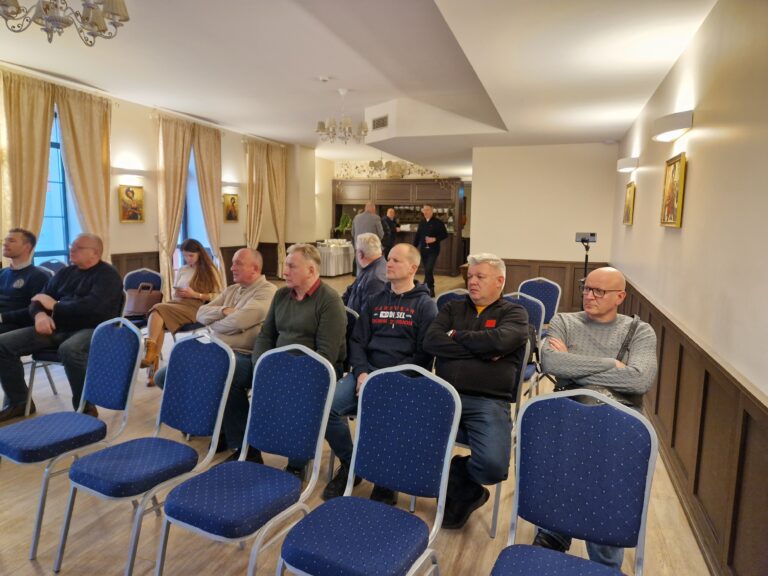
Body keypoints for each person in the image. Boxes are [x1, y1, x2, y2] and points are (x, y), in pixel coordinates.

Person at [532, 266, 658, 570]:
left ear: (620, 297)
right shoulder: (564, 321)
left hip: (617, 421)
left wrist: (574, 365)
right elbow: (551, 363)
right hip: (570, 412)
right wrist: (612, 364)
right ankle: (554, 532)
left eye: (599, 291)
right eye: (586, 288)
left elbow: (639, 380)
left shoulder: (639, 331)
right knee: (559, 465)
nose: (589, 296)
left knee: (605, 489)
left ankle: (603, 558)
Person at [322, 243, 438, 503]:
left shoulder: (425, 305)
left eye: (396, 260)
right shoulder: (375, 300)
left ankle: (385, 478)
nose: (389, 264)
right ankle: (352, 464)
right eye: (389, 259)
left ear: (413, 268)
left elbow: (424, 356)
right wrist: (362, 372)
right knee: (327, 407)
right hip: (367, 374)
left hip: (402, 379)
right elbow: (357, 341)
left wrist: (389, 379)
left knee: (385, 417)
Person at [424, 253, 529, 529]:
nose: (472, 281)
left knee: (493, 466)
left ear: (500, 281)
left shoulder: (514, 313)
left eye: (480, 277)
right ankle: (457, 491)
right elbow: (431, 341)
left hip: (487, 400)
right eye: (470, 276)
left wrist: (456, 336)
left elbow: (501, 341)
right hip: (445, 396)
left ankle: (460, 472)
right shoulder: (452, 308)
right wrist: (483, 351)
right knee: (409, 438)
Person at [153, 248, 276, 461]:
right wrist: (222, 311)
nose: (231, 267)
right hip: (215, 351)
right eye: (233, 263)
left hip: (245, 356)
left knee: (222, 375)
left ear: (255, 268)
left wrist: (217, 325)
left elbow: (238, 321)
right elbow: (200, 313)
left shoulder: (267, 291)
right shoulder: (232, 290)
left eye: (238, 263)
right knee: (164, 376)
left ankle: (246, 449)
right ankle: (217, 427)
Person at [0, 234, 123, 421]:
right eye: (72, 245)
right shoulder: (66, 273)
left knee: (70, 349)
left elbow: (94, 310)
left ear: (95, 253)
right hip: (57, 326)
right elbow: (38, 300)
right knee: (3, 344)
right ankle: (19, 402)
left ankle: (85, 408)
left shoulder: (108, 275)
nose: (72, 249)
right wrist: (40, 315)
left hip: (93, 328)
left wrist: (55, 306)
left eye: (78, 247)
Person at [251, 243, 347, 477]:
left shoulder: (329, 301)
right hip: (279, 367)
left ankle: (347, 461)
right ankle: (247, 448)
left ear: (311, 270)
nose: (284, 272)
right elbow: (266, 336)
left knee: (307, 401)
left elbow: (326, 355)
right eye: (285, 265)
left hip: (318, 370)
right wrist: (261, 366)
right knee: (235, 377)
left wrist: (290, 375)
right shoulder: (281, 295)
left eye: (292, 266)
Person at [141, 238, 221, 385]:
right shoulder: (183, 269)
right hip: (178, 303)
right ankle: (152, 365)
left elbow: (218, 296)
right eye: (184, 255)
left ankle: (150, 360)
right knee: (158, 314)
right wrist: (178, 293)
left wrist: (195, 294)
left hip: (196, 307)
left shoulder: (211, 270)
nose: (187, 259)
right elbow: (174, 292)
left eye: (191, 255)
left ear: (200, 254)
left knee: (158, 309)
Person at [0, 228, 50, 335]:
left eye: (11, 241)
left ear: (26, 247)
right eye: (5, 240)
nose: (5, 244)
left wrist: (2, 317)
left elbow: (37, 310)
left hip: (16, 326)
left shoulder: (39, 276)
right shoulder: (2, 273)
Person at [341, 233, 387, 314]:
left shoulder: (375, 279)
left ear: (360, 254)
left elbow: (367, 315)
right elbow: (350, 291)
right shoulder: (370, 267)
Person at [413, 204, 448, 297]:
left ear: (432, 211)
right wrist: (414, 247)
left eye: (428, 210)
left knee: (429, 269)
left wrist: (435, 239)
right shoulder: (422, 222)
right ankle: (427, 288)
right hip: (423, 250)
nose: (426, 212)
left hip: (434, 250)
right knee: (427, 270)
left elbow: (445, 235)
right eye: (424, 210)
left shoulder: (438, 222)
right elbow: (418, 235)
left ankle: (429, 288)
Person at [351, 202, 384, 274]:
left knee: (359, 271)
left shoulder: (356, 218)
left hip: (359, 248)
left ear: (365, 208)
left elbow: (352, 233)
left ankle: (360, 281)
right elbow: (381, 234)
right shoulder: (376, 218)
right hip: (372, 250)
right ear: (373, 209)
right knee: (372, 271)